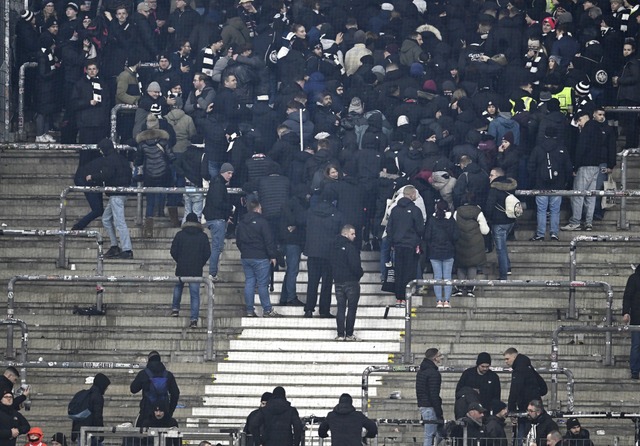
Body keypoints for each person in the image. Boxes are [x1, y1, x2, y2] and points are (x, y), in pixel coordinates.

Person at [85, 138, 133, 259]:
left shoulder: (109, 160)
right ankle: (114, 246)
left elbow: (107, 174)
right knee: (106, 219)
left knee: (119, 222)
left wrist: (93, 177)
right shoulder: (121, 158)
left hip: (115, 193)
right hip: (123, 192)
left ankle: (127, 249)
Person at [236, 200, 281, 318]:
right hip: (260, 257)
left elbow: (238, 241)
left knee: (250, 282)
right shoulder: (262, 222)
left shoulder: (241, 223)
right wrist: (272, 255)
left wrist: (244, 251)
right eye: (260, 208)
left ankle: (250, 310)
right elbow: (268, 240)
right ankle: (267, 310)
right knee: (262, 284)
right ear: (257, 209)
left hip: (246, 256)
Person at [527, 126, 572, 241]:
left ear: (545, 134)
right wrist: (566, 182)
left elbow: (531, 166)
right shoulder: (562, 148)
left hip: (541, 185)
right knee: (555, 210)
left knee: (541, 210)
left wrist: (535, 180)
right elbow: (567, 167)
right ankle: (554, 234)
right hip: (558, 185)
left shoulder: (538, 148)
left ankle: (540, 234)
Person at [303, 188, 343, 318]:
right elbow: (339, 234)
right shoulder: (336, 214)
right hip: (329, 253)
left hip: (313, 252)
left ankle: (309, 309)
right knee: (327, 283)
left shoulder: (310, 212)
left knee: (312, 282)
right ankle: (324, 310)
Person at [170, 212, 211, 328]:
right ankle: (193, 319)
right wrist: (200, 263)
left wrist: (179, 260)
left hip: (181, 267)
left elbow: (173, 251)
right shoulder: (203, 236)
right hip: (196, 269)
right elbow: (207, 253)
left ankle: (175, 309)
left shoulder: (180, 235)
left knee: (178, 287)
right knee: (194, 295)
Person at [386, 185, 425, 306]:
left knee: (399, 271)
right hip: (411, 246)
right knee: (409, 272)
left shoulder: (395, 210)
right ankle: (406, 297)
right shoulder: (415, 210)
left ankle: (399, 298)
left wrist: (392, 242)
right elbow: (420, 229)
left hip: (397, 246)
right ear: (412, 195)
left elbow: (389, 228)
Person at [504, 348, 548, 442]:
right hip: (537, 406)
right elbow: (543, 387)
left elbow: (514, 390)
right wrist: (535, 393)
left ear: (514, 357)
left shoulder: (519, 370)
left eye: (507, 359)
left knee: (523, 434)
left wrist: (511, 410)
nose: (506, 362)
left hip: (525, 408)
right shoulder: (528, 366)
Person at [330, 224, 364, 341]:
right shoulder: (350, 247)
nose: (354, 236)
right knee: (352, 308)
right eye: (352, 233)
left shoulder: (333, 247)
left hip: (338, 281)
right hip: (351, 281)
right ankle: (349, 334)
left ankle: (340, 334)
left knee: (341, 308)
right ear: (345, 234)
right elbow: (355, 265)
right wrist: (360, 274)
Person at [453, 193, 490, 298]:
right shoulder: (478, 212)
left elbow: (453, 226)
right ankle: (470, 289)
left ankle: (459, 288)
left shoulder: (457, 211)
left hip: (460, 242)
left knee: (460, 265)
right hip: (475, 243)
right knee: (472, 265)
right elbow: (485, 230)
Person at [130, 351, 180, 427]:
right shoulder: (168, 375)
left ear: (149, 360)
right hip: (164, 415)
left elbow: (133, 389)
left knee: (143, 436)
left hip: (146, 413)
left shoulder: (143, 374)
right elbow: (175, 393)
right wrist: (169, 411)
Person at [203, 163, 234, 283]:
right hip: (217, 219)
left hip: (215, 218)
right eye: (228, 173)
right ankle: (212, 273)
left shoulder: (216, 182)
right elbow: (218, 203)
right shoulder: (218, 184)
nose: (230, 176)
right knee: (217, 247)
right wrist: (230, 208)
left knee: (217, 247)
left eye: (231, 173)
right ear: (223, 172)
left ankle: (213, 272)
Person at [485, 168, 517, 280]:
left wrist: (487, 218)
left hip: (498, 222)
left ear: (498, 176)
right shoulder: (511, 187)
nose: (490, 177)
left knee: (500, 249)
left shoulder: (494, 189)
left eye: (492, 175)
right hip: (510, 221)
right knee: (503, 246)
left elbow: (489, 206)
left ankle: (504, 274)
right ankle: (507, 267)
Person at [425, 200, 458, 308]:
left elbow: (427, 236)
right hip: (448, 252)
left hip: (434, 252)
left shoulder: (432, 220)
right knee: (447, 277)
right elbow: (455, 236)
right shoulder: (451, 220)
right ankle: (447, 301)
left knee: (437, 277)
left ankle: (439, 300)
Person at [70, 373, 110, 444]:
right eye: (106, 386)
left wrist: (73, 434)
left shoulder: (84, 395)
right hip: (91, 432)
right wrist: (101, 434)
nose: (106, 388)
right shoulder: (97, 397)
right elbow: (98, 416)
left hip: (80, 431)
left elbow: (77, 417)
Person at [416, 348, 443, 446]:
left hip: (423, 405)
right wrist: (439, 412)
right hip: (430, 407)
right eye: (439, 355)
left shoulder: (421, 371)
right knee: (430, 435)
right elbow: (434, 394)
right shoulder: (433, 373)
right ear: (435, 358)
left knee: (430, 434)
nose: (441, 358)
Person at [622, 265, 640, 379]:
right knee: (636, 344)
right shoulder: (634, 278)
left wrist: (626, 312)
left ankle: (634, 370)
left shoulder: (634, 278)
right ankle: (634, 370)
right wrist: (626, 312)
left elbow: (627, 296)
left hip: (636, 316)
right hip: (637, 316)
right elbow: (627, 296)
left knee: (636, 345)